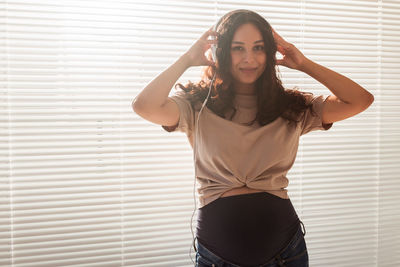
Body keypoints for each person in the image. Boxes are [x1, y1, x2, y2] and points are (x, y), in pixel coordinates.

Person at [132, 9, 374, 267]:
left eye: (259, 48)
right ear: (220, 53)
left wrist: (303, 64)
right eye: (238, 48)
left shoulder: (291, 106)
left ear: (270, 53)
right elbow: (144, 106)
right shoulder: (196, 106)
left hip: (286, 254)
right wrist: (186, 59)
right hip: (217, 258)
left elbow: (360, 100)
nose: (249, 58)